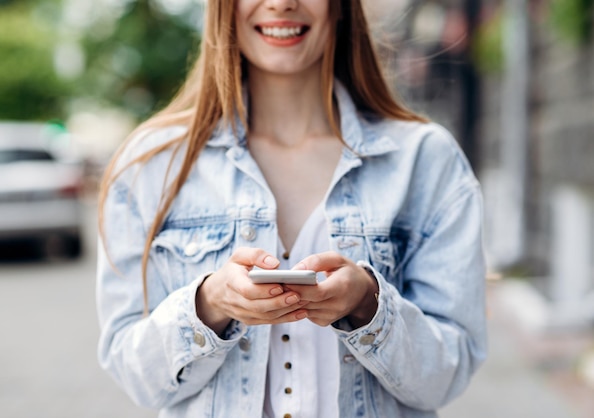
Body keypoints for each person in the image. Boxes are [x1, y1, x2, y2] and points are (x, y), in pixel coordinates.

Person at [96, 1, 487, 417]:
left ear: (340, 7)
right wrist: (209, 304)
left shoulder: (424, 159)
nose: (282, 3)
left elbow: (449, 372)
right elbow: (133, 373)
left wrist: (368, 306)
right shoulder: (152, 164)